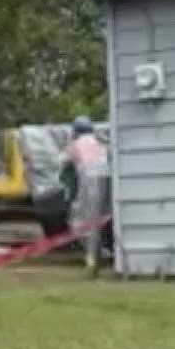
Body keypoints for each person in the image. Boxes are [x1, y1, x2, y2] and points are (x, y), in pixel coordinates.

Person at [61, 116, 110, 274]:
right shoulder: (100, 143)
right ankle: (103, 250)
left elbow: (63, 162)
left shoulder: (75, 145)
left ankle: (92, 257)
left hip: (88, 182)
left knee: (82, 219)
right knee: (103, 217)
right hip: (106, 182)